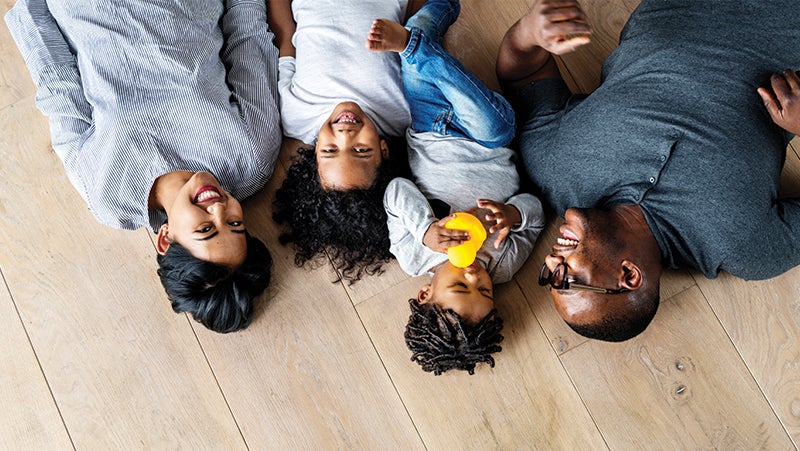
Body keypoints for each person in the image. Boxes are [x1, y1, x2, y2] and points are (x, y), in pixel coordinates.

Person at [496, 0, 800, 342]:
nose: (552, 263)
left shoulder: (554, 168)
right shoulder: (747, 247)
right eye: (566, 280)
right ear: (628, 276)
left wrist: (529, 33)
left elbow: (525, 75)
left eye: (547, 275)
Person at [5, 0, 282, 333]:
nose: (219, 209)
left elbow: (59, 89)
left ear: (166, 239)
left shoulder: (107, 194)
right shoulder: (251, 155)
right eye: (235, 223)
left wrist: (31, 7)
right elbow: (248, 35)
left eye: (205, 228)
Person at [369, 0, 546, 374]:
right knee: (493, 121)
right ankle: (416, 45)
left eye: (461, 288)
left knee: (420, 28)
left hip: (429, 127)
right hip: (489, 143)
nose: (475, 278)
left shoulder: (412, 254)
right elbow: (537, 213)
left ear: (425, 293)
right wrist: (512, 215)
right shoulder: (503, 264)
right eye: (484, 292)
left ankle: (436, 18)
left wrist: (425, 228)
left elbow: (395, 191)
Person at [269, 0, 424, 283]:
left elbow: (285, 36)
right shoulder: (405, 114)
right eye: (361, 150)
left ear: (314, 154)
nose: (345, 135)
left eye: (330, 150)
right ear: (384, 150)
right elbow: (418, 34)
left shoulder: (295, 116)